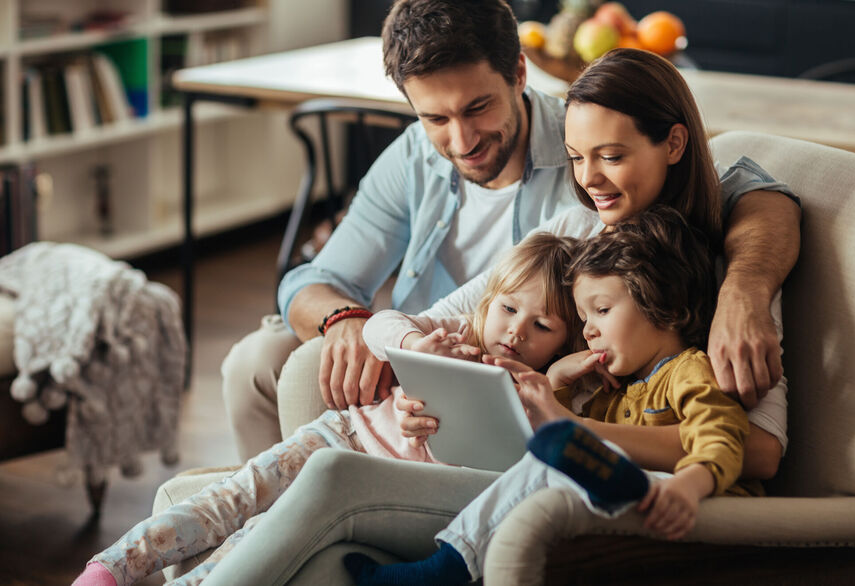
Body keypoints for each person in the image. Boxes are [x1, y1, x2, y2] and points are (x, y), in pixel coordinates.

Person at [189, 47, 799, 586]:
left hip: (589, 480)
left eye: (610, 156)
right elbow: (429, 323)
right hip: (522, 457)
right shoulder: (579, 228)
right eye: (577, 159)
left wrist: (575, 431)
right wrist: (421, 374)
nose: (587, 181)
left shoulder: (729, 263)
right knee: (322, 548)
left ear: (671, 144)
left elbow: (761, 450)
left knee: (331, 479)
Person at [220, 0, 800, 467]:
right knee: (263, 366)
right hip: (436, 364)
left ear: (520, 74)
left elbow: (742, 183)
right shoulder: (576, 220)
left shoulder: (609, 193)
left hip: (527, 421)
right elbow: (328, 283)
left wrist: (744, 289)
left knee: (322, 483)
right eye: (435, 119)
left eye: (477, 107)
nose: (462, 139)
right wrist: (367, 330)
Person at [72, 233, 583, 586]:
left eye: (542, 327)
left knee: (259, 534)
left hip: (375, 477)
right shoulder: (451, 335)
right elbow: (381, 325)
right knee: (236, 495)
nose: (517, 331)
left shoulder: (530, 391)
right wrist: (415, 346)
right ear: (488, 302)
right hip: (341, 432)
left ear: (563, 341)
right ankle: (112, 565)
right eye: (510, 309)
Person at [344, 206, 762, 586]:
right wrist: (554, 387)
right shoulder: (612, 395)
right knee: (551, 452)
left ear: (663, 306)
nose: (589, 332)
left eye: (601, 311)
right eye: (582, 319)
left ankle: (446, 567)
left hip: (694, 503)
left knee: (555, 455)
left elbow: (723, 433)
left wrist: (691, 484)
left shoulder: (689, 370)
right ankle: (603, 476)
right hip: (633, 501)